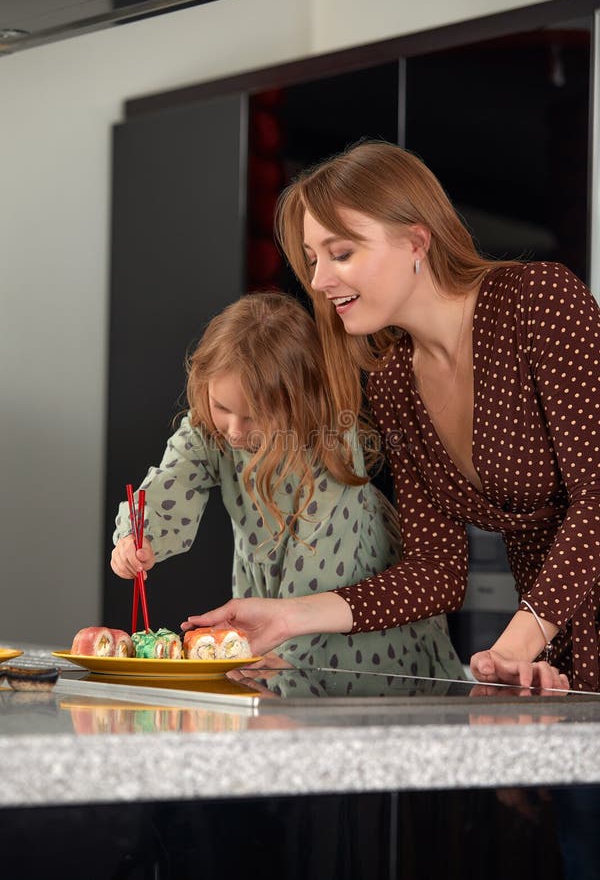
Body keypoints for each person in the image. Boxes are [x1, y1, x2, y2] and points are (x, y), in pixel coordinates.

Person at [184, 140, 600, 693]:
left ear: (415, 242)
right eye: (312, 260)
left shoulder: (538, 301)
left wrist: (514, 644)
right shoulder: (393, 380)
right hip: (556, 637)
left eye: (341, 253)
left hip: (543, 626)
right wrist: (290, 615)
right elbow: (435, 571)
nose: (319, 281)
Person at [112, 291, 462, 678]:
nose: (233, 430)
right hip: (271, 625)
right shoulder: (208, 432)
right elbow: (170, 485)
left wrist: (285, 647)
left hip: (360, 631)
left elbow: (324, 567)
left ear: (299, 402)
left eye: (253, 416)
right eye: (221, 407)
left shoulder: (331, 446)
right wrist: (139, 539)